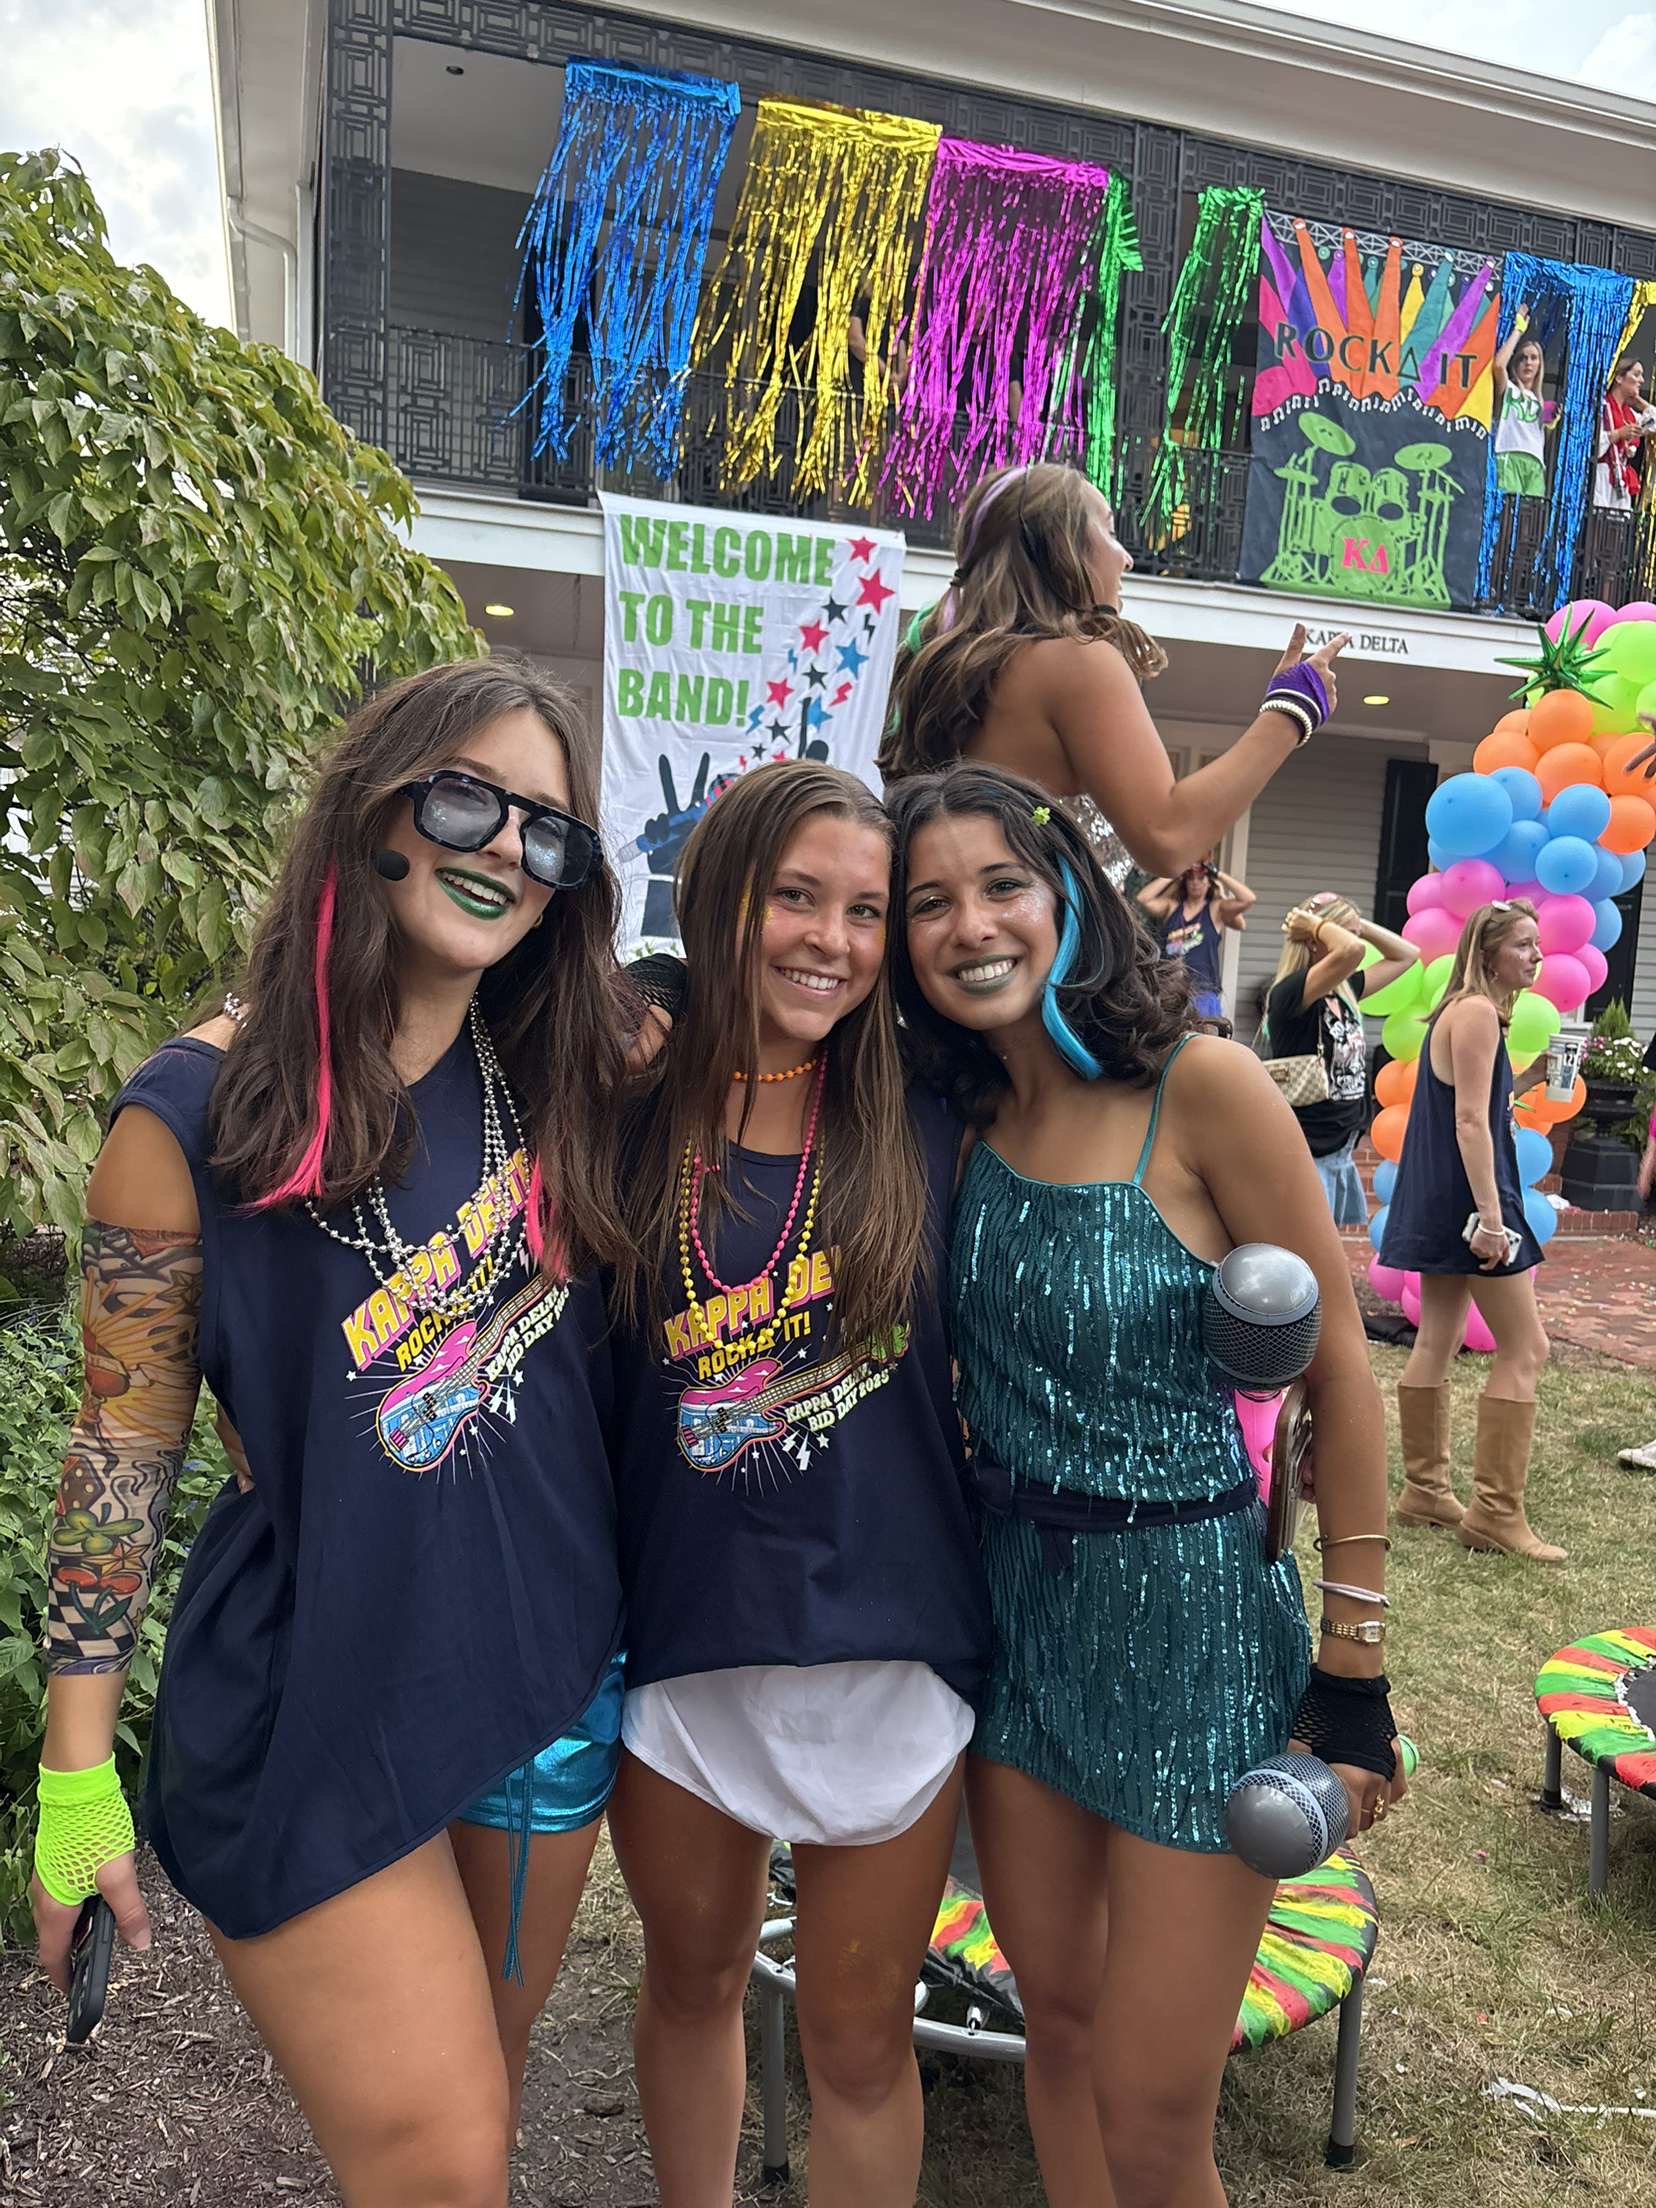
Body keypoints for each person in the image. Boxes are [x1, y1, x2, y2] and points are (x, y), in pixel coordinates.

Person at [31, 659, 640, 2203]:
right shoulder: (191, 1117)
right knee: (437, 2158)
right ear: (375, 805)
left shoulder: (553, 1067)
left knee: (475, 2128)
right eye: (469, 802)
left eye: (552, 835)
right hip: (323, 1683)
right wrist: (75, 1767)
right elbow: (121, 1453)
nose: (509, 850)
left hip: (542, 1661)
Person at [888, 762, 1403, 2208]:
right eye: (929, 901)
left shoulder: (1204, 1086)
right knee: (1051, 2029)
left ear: (1066, 896)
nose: (970, 923)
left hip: (1192, 1629)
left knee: (1154, 2104)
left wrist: (1353, 1664)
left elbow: (1341, 1374)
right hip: (1018, 1621)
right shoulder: (952, 1117)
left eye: (1001, 884)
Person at [604, 761, 990, 2208]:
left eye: (865, 911)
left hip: (891, 1652)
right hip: (688, 1641)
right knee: (693, 1985)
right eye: (795, 897)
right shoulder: (624, 1109)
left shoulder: (941, 1113)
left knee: (858, 2042)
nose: (830, 937)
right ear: (724, 896)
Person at [878, 460, 1349, 873]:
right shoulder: (1073, 661)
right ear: (1063, 548)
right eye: (1108, 530)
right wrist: (1291, 710)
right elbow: (1168, 837)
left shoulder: (948, 662)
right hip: (1047, 960)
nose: (1125, 557)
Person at [1379, 901, 1560, 1559]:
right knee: (1526, 1348)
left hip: (1434, 1195)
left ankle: (1425, 1491)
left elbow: (1481, 1104)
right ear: (1489, 954)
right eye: (1524, 945)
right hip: (1469, 1203)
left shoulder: (1460, 1012)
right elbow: (1467, 1123)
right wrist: (1491, 1217)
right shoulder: (1479, 1012)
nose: (1537, 956)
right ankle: (1493, 1512)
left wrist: (1538, 1076)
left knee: (1439, 1337)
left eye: (1539, 945)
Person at [1263, 894, 1418, 1223]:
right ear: (1314, 940)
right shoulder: (1291, 993)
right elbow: (1352, 952)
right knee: (1310, 1258)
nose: (1352, 940)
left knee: (1326, 1253)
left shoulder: (1344, 989)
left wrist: (1356, 925)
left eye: (1352, 933)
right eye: (1342, 933)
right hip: (1309, 1148)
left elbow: (1407, 956)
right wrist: (1320, 925)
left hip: (1340, 1145)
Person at [1136, 859, 1255, 1022]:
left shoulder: (1215, 909)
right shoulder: (1172, 907)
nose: (1195, 883)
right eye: (1191, 878)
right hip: (1172, 990)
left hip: (1203, 991)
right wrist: (1175, 874)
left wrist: (1217, 873)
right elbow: (1144, 899)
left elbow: (1248, 899)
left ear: (1209, 883)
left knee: (1205, 1040)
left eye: (1200, 878)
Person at [1491, 307, 1557, 498]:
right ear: (1516, 363)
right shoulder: (1509, 389)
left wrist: (1551, 425)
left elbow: (1541, 439)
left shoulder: (1540, 401)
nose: (1528, 363)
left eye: (1534, 358)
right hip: (1509, 455)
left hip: (1535, 462)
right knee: (1506, 514)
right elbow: (1498, 365)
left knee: (1529, 520)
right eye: (1523, 358)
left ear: (1540, 365)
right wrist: (1518, 329)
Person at [1594, 357, 1656, 511]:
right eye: (1636, 374)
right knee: (1599, 527)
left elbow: (1654, 421)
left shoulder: (1630, 415)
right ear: (1619, 377)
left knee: (1617, 529)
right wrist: (1618, 434)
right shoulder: (1603, 407)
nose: (1641, 380)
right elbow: (1592, 447)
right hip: (1602, 477)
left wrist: (1638, 401)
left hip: (1622, 480)